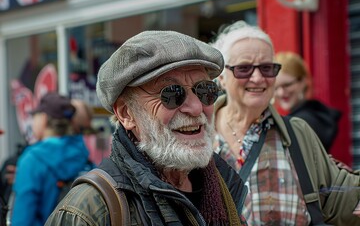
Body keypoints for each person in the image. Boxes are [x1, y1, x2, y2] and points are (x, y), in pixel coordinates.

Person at [46, 30, 248, 225]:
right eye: (172, 93)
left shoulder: (223, 186)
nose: (196, 108)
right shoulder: (90, 211)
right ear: (126, 114)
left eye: (205, 90)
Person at [210, 20, 360, 225]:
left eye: (267, 68)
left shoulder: (297, 133)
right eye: (244, 68)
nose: (257, 77)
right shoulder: (197, 137)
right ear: (221, 78)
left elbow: (342, 198)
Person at [11, 92, 91, 226]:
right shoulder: (84, 156)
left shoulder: (32, 160)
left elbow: (22, 219)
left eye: (35, 116)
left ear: (43, 119)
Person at [273, 51, 341, 152]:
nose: (281, 93)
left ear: (303, 81)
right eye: (276, 88)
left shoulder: (301, 122)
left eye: (287, 85)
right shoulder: (317, 114)